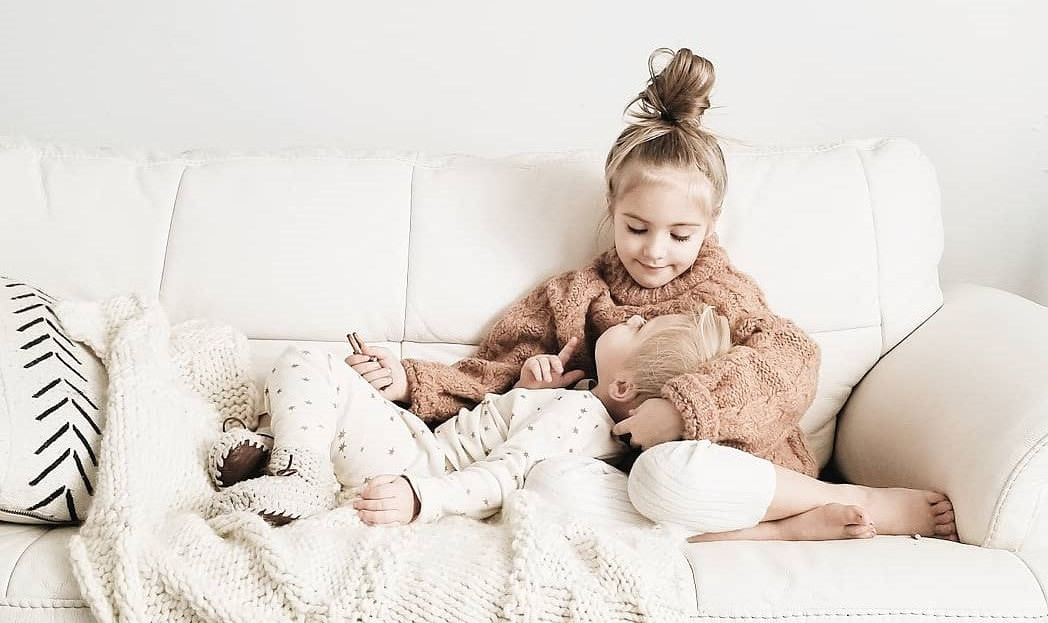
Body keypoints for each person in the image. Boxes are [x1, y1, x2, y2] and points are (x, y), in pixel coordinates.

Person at [347, 46, 959, 543]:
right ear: (612, 209)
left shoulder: (723, 294)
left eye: (679, 234)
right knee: (554, 489)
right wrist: (413, 382)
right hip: (622, 487)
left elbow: (791, 359)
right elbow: (496, 374)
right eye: (637, 228)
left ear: (711, 223)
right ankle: (769, 536)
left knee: (668, 472)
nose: (655, 251)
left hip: (719, 474)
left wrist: (684, 409)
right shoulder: (575, 294)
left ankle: (832, 502)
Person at [207, 305, 733, 527]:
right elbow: (503, 433)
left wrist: (423, 499)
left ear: (622, 386)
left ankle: (298, 475)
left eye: (638, 329)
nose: (631, 317)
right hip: (419, 448)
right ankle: (275, 453)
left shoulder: (580, 416)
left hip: (420, 465)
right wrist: (526, 392)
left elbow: (504, 476)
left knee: (306, 361)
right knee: (323, 389)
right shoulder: (579, 404)